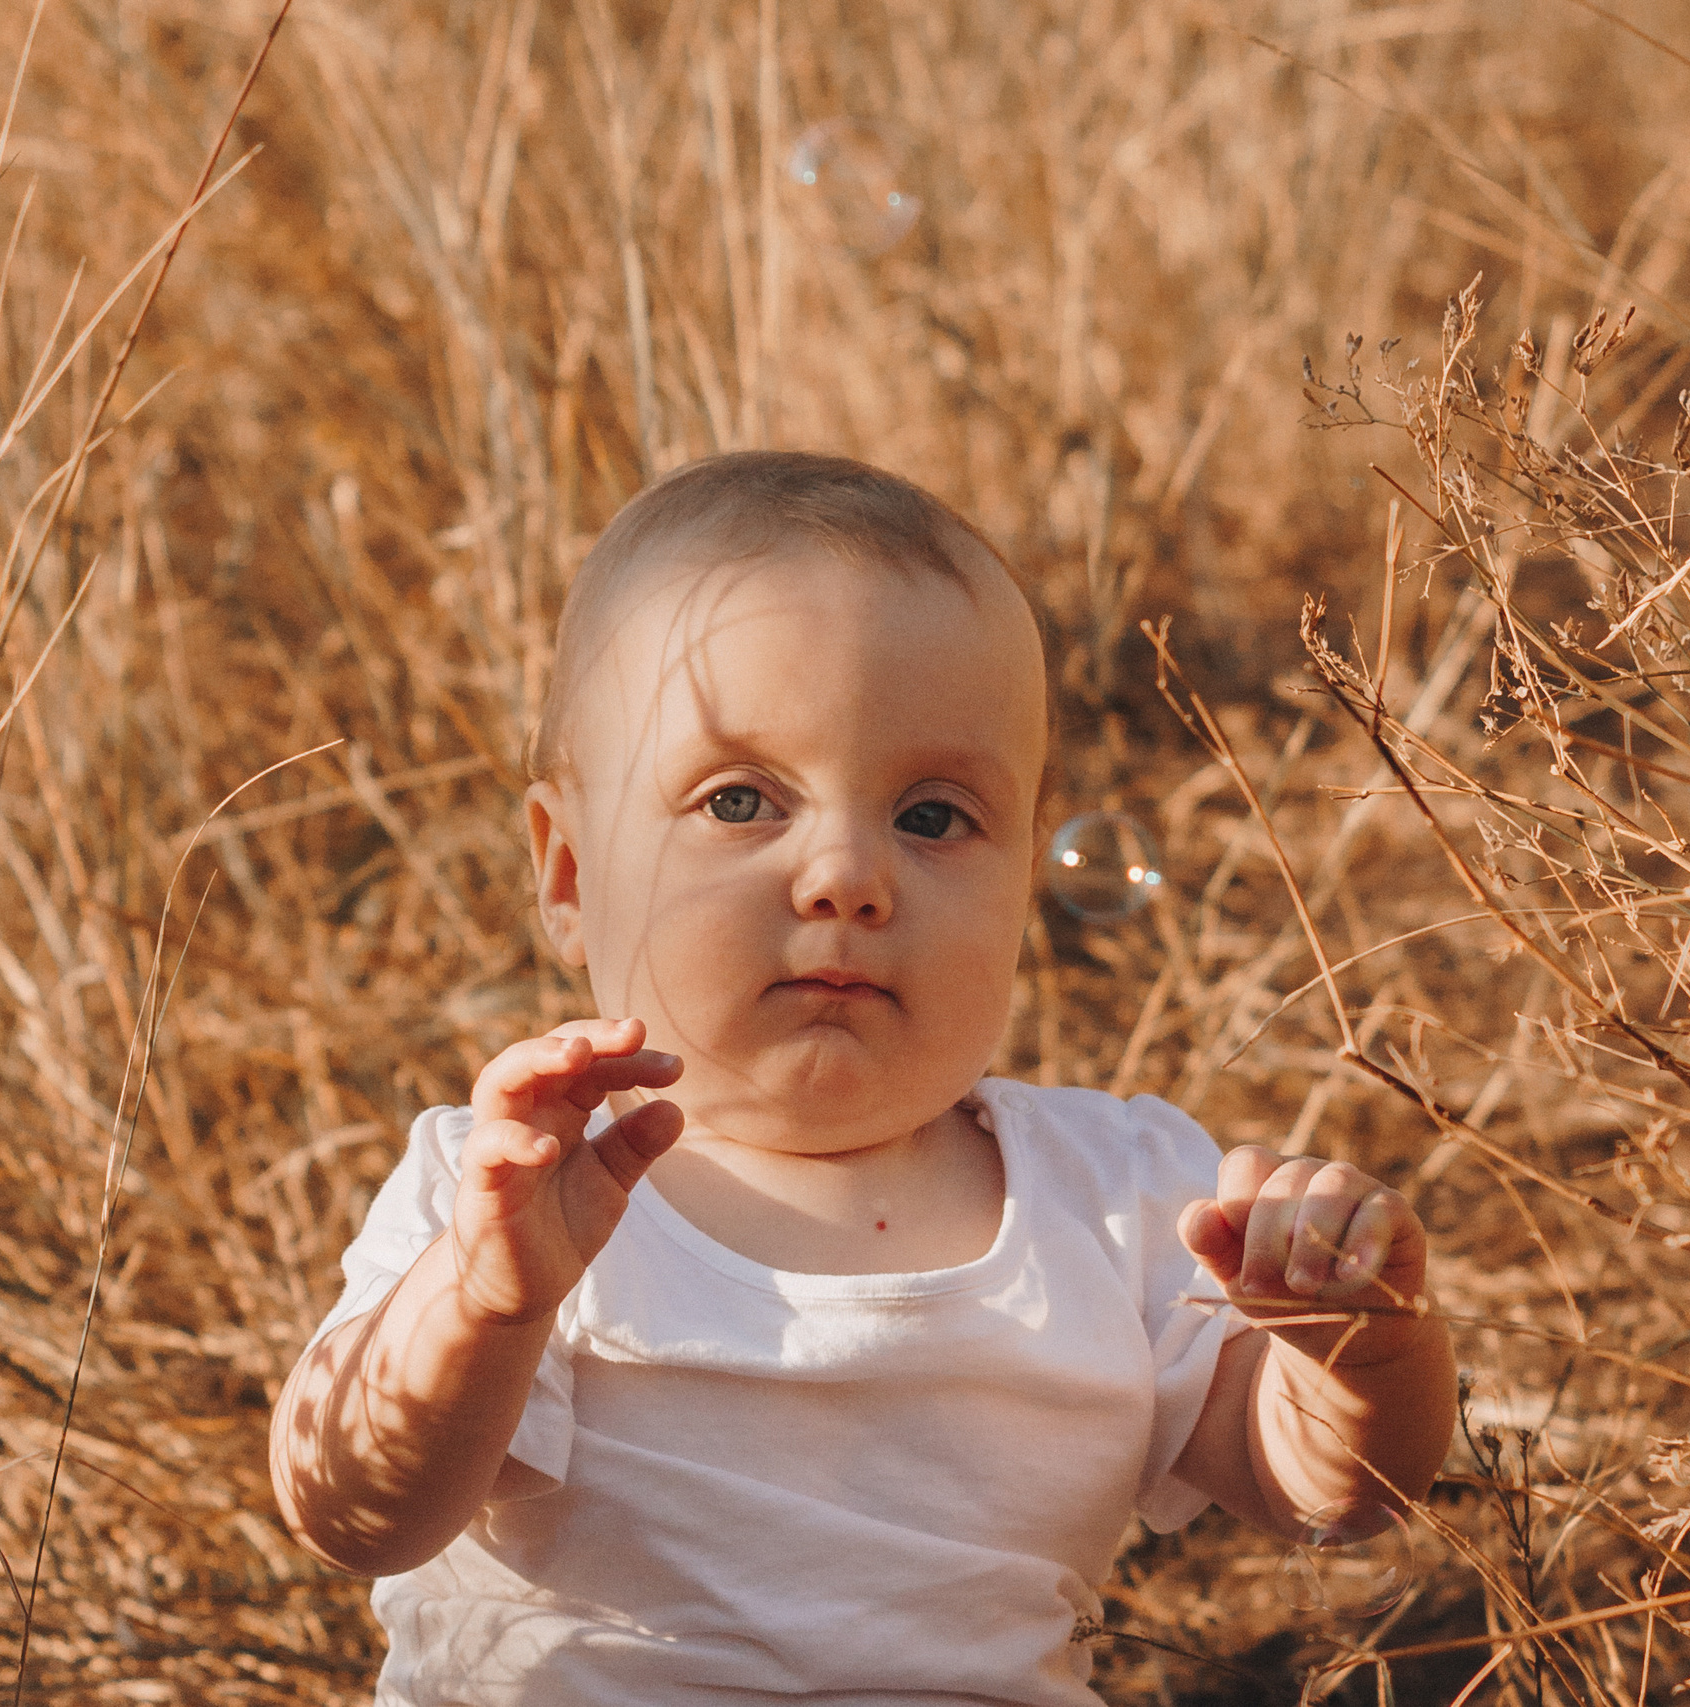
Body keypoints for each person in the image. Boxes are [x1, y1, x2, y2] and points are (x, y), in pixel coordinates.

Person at [269, 450, 1456, 1704]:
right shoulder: (508, 1194)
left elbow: (1328, 1498)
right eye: (740, 802)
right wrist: (482, 1306)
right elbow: (351, 1510)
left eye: (933, 817)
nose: (846, 874)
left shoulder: (1119, 1201)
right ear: (567, 878)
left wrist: (1362, 1359)